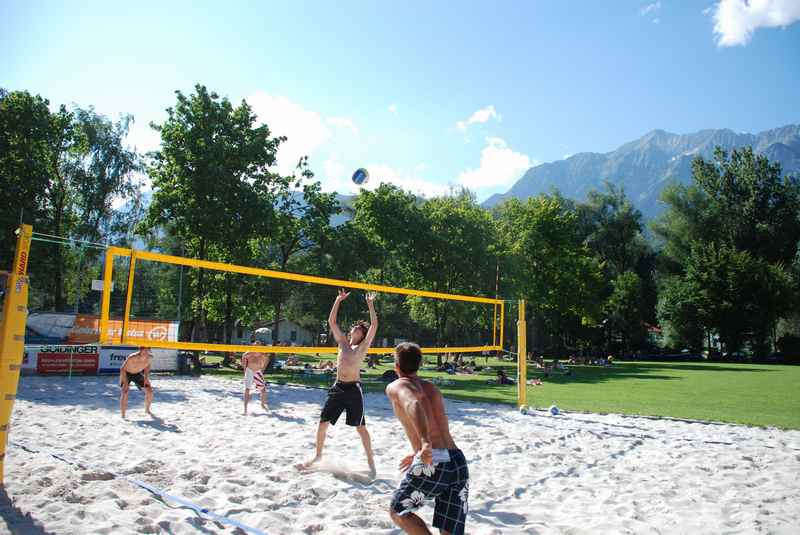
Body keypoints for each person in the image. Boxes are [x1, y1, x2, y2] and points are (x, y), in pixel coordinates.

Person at [387, 342, 469, 535]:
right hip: (457, 461)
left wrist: (425, 444)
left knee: (398, 511)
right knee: (450, 529)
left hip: (435, 460)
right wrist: (418, 450)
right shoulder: (431, 387)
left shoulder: (397, 385)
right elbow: (435, 424)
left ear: (396, 367)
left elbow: (414, 403)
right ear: (420, 364)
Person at [300, 289, 378, 476]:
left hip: (353, 390)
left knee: (361, 428)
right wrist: (338, 300)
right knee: (323, 422)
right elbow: (331, 322)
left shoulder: (363, 346)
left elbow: (374, 324)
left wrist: (370, 304)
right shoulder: (342, 342)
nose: (357, 330)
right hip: (337, 387)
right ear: (351, 331)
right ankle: (318, 456)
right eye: (356, 328)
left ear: (363, 335)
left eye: (361, 330)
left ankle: (371, 463)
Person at [119, 346, 154, 419]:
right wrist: (125, 383)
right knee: (125, 392)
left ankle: (147, 410)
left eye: (148, 350)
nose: (146, 352)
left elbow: (147, 366)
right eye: (145, 350)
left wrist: (146, 378)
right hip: (126, 373)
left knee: (149, 391)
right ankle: (123, 415)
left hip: (137, 374)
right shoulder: (132, 357)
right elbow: (122, 369)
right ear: (140, 350)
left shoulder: (150, 357)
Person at [242, 340, 270, 415]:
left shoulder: (262, 353)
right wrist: (245, 369)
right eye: (256, 344)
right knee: (247, 389)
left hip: (258, 372)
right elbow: (243, 358)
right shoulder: (249, 352)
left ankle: (262, 405)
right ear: (253, 345)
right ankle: (245, 409)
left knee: (263, 389)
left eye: (259, 344)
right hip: (249, 371)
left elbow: (267, 359)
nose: (257, 345)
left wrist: (263, 368)